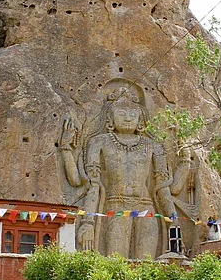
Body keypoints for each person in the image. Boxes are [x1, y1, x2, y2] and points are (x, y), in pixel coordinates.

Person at [60, 87, 177, 258]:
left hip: (146, 206)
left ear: (141, 119)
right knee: (115, 262)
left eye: (132, 114)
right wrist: (88, 222)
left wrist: (173, 220)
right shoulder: (99, 142)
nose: (128, 118)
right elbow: (93, 185)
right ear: (110, 118)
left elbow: (162, 188)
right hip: (115, 206)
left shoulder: (153, 146)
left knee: (147, 264)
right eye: (122, 113)